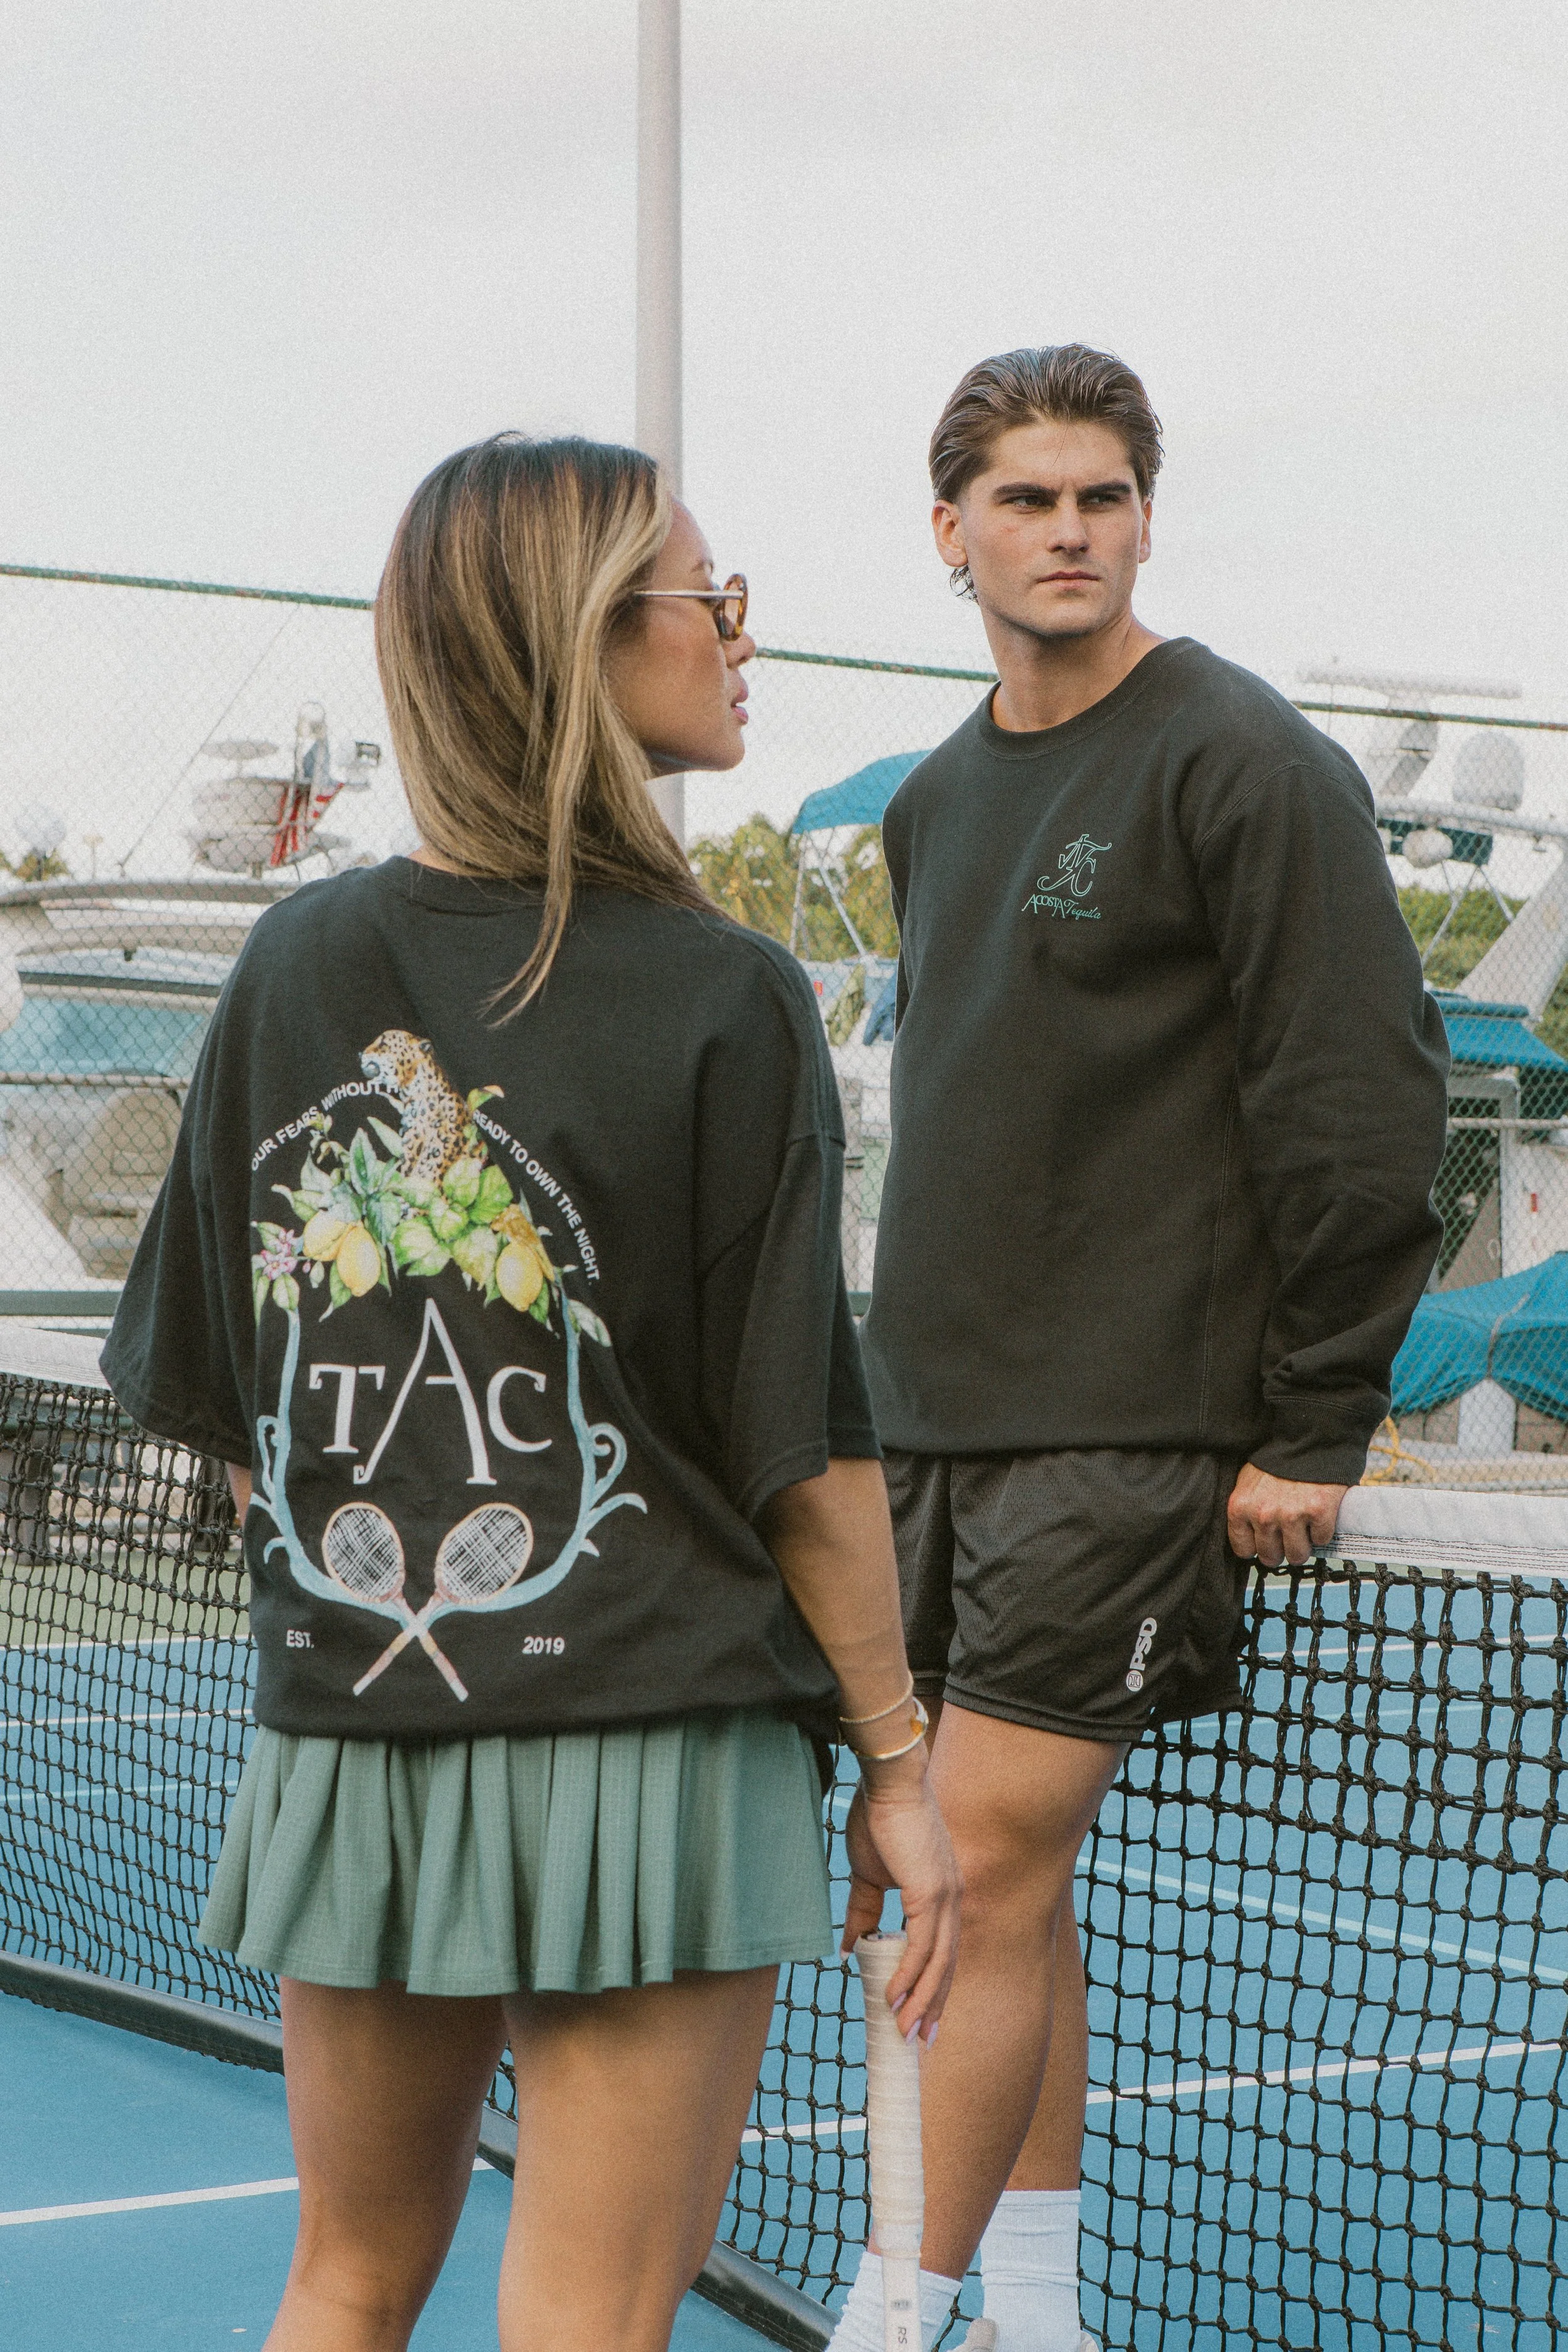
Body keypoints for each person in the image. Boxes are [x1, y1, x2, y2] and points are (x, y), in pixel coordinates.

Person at [102, 432, 960, 2352]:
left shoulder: (288, 964)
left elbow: (232, 1404)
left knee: (339, 2281)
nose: (741, 642)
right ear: (588, 642)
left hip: (354, 1739)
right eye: (709, 603)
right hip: (655, 1742)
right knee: (583, 2316)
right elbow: (802, 1448)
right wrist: (900, 1763)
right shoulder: (730, 993)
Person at [831, 346, 1450, 2352]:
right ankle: (1027, 2311)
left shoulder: (1244, 760)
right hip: (925, 1428)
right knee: (966, 1891)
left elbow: (1358, 1099)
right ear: (951, 533)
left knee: (980, 1872)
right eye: (1026, 499)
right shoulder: (932, 801)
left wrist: (1315, 1415)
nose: (1069, 531)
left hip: (1134, 1437)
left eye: (1102, 495)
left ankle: (893, 2309)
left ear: (1143, 517)